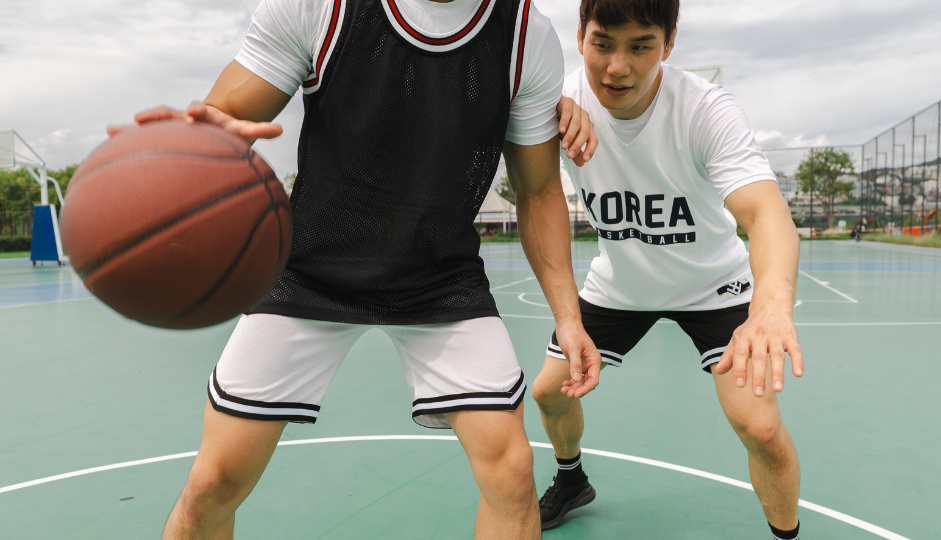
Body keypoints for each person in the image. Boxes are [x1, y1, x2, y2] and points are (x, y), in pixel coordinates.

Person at [110, 0, 606, 536]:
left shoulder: (524, 33)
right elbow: (230, 109)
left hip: (440, 277)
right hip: (310, 268)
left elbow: (537, 190)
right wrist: (199, 136)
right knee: (215, 481)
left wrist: (568, 317)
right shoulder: (319, 6)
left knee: (512, 475)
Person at [530, 1, 805, 538]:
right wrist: (550, 104)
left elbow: (765, 211)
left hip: (714, 286)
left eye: (641, 46)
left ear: (670, 42)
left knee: (762, 428)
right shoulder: (553, 104)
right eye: (603, 43)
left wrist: (771, 307)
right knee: (547, 393)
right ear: (580, 37)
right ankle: (571, 479)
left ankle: (786, 535)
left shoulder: (705, 110)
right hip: (620, 285)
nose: (617, 67)